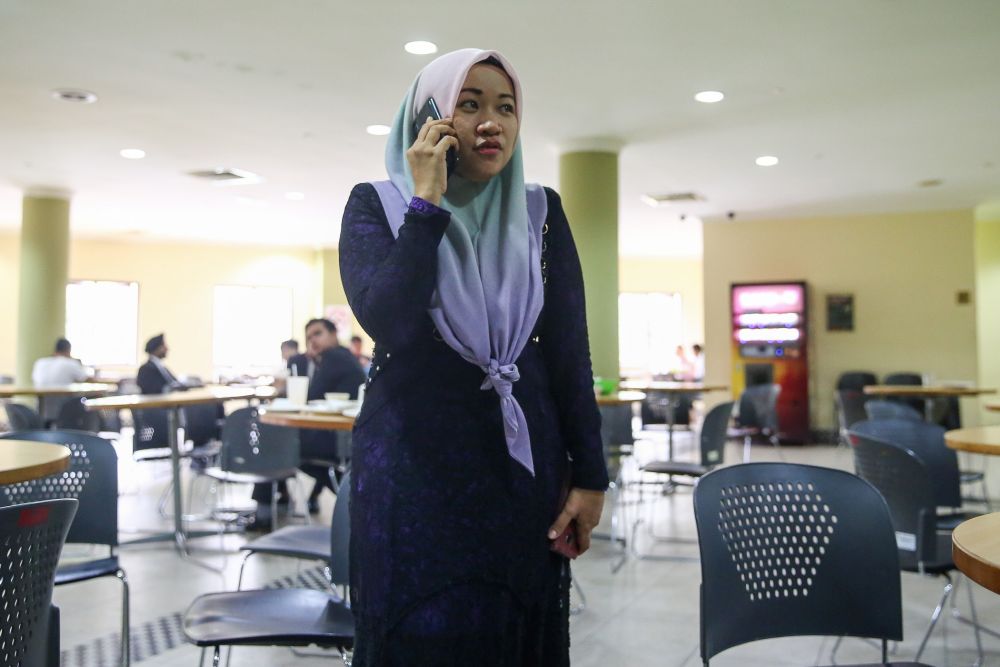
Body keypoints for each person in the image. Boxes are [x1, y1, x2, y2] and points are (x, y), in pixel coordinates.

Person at [339, 49, 608, 665]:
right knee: (419, 635)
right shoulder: (377, 204)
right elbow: (390, 322)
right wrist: (426, 204)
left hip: (522, 475)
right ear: (428, 120)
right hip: (412, 476)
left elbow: (569, 353)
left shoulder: (540, 213)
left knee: (515, 637)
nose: (492, 122)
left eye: (506, 108)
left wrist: (592, 476)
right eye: (469, 104)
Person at [251, 319, 365, 525]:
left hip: (335, 437)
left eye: (318, 333)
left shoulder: (335, 357)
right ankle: (284, 497)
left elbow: (311, 395)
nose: (312, 340)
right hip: (336, 436)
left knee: (272, 442)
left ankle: (264, 514)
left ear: (334, 334)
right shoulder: (336, 357)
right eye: (308, 337)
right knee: (286, 444)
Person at [32, 338, 89, 422]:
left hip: (41, 412)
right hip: (65, 413)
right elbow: (86, 378)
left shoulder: (40, 363)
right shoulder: (70, 363)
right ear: (68, 350)